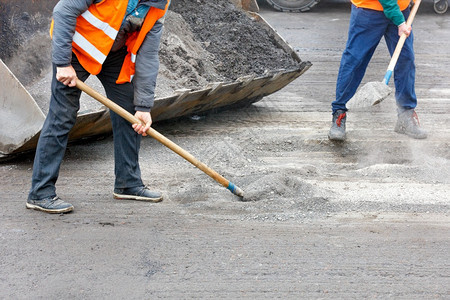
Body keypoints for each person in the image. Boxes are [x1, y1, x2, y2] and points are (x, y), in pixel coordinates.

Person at [26, 0, 171, 214]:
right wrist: (63, 63)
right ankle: (41, 192)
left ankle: (128, 183)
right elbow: (63, 10)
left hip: (113, 54)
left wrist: (144, 107)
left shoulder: (159, 4)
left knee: (131, 113)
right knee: (62, 116)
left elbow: (148, 56)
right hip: (76, 49)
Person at [328, 0, 427, 141]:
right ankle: (339, 113)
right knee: (355, 61)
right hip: (368, 10)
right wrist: (400, 22)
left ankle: (406, 115)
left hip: (400, 9)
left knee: (405, 60)